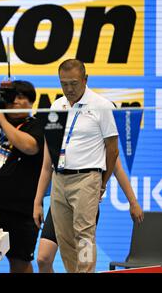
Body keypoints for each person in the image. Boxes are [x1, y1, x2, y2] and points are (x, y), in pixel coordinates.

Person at [33, 59, 119, 273]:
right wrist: (37, 199)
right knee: (64, 237)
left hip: (86, 178)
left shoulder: (102, 106)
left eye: (74, 83)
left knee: (84, 236)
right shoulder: (56, 106)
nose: (69, 89)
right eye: (64, 84)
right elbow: (49, 156)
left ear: (85, 79)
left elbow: (113, 150)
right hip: (59, 178)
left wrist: (102, 182)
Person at [0, 80, 44, 273]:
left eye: (22, 97)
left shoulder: (36, 125)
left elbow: (30, 147)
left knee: (20, 263)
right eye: (12, 98)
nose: (16, 102)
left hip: (20, 210)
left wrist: (2, 121)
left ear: (31, 102)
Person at [35, 157, 144, 273]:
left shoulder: (99, 140)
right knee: (44, 258)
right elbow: (47, 167)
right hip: (61, 201)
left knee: (80, 264)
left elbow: (117, 169)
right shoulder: (62, 139)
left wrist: (133, 202)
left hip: (85, 204)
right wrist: (37, 202)